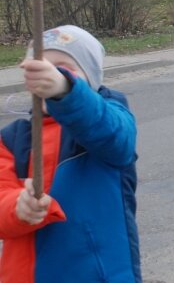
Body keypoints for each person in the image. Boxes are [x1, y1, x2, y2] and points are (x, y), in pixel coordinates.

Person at [0, 25, 140, 283]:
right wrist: (18, 207)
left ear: (91, 77)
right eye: (39, 68)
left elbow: (117, 141)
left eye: (63, 66)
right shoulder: (10, 139)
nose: (48, 75)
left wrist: (65, 89)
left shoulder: (109, 116)